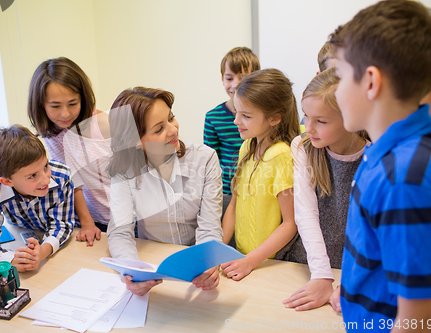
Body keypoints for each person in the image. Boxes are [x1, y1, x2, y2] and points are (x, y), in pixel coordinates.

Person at [329, 0, 431, 327]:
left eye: (340, 76)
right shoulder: (386, 156)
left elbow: (419, 316)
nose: (335, 91)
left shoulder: (402, 179)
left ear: (371, 82)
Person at [107, 87, 224, 296]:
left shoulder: (205, 159)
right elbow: (119, 233)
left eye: (172, 118)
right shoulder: (124, 172)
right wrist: (133, 272)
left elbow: (209, 227)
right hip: (153, 266)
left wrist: (208, 261)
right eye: (159, 129)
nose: (173, 130)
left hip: (195, 267)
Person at [281, 68, 368, 311]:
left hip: (356, 268)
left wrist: (352, 280)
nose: (308, 127)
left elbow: (371, 228)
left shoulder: (375, 153)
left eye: (320, 121)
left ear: (351, 117)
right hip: (312, 264)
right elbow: (306, 214)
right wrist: (321, 275)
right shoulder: (303, 146)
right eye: (306, 116)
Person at [221, 68, 300, 281]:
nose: (236, 121)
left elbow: (290, 223)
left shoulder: (281, 155)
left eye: (245, 116)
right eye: (236, 112)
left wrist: (250, 261)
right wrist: (217, 250)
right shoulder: (246, 147)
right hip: (242, 257)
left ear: (274, 118)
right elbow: (234, 205)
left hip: (268, 264)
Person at [28, 57, 111, 246]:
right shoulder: (53, 134)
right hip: (96, 220)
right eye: (55, 106)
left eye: (73, 104)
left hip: (133, 217)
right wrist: (87, 223)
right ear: (40, 104)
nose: (65, 114)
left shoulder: (108, 123)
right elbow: (72, 180)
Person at [0, 125, 77, 272]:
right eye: (32, 176)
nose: (46, 180)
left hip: (60, 242)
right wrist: (11, 260)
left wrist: (43, 251)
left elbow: (62, 225)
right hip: (21, 234)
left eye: (45, 166)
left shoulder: (61, 176)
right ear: (8, 182)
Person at [204, 47, 260, 222]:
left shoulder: (262, 116)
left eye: (243, 78)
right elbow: (209, 162)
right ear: (222, 79)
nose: (235, 84)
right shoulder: (213, 117)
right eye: (229, 78)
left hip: (260, 190)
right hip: (228, 193)